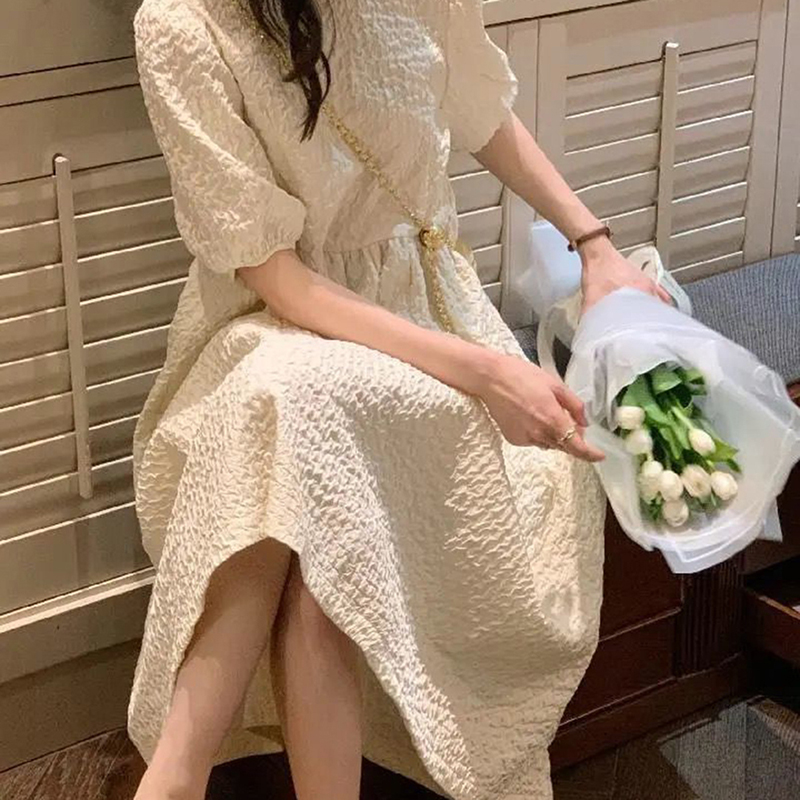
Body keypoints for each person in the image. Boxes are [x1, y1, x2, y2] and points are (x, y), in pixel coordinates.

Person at [127, 1, 670, 798]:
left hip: (430, 317)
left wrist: (594, 245)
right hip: (271, 324)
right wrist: (486, 376)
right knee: (290, 397)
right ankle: (176, 776)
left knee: (313, 491)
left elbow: (481, 113)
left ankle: (174, 777)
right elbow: (277, 278)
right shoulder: (180, 25)